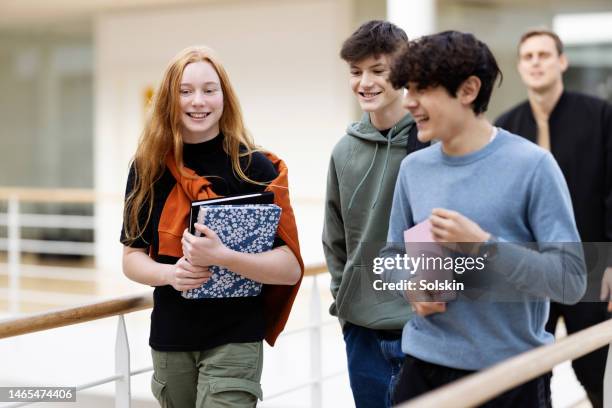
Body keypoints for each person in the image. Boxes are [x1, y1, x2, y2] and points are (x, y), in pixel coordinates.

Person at [381, 31, 586, 406]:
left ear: (468, 90)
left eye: (421, 89)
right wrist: (409, 285)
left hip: (512, 375)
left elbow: (570, 280)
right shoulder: (413, 169)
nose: (408, 102)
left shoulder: (534, 166)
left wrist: (483, 247)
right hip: (422, 367)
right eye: (406, 89)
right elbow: (390, 257)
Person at [120, 46, 303, 408]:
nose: (198, 101)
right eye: (185, 91)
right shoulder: (147, 168)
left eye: (209, 89)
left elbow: (290, 268)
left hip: (236, 336)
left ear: (225, 97)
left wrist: (223, 256)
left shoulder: (255, 169)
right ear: (169, 100)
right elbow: (131, 257)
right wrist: (170, 275)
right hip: (171, 339)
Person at [495, 28, 612, 408]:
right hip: (530, 273)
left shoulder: (600, 116)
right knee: (528, 376)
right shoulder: (505, 128)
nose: (536, 63)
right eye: (528, 57)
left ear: (562, 62)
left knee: (597, 371)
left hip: (593, 264)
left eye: (544, 55)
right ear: (519, 66)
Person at [322, 20, 428, 408]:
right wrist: (345, 302)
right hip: (362, 332)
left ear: (403, 72)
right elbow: (334, 239)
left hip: (422, 326)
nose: (365, 81)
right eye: (355, 71)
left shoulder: (430, 143)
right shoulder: (343, 151)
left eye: (378, 71)